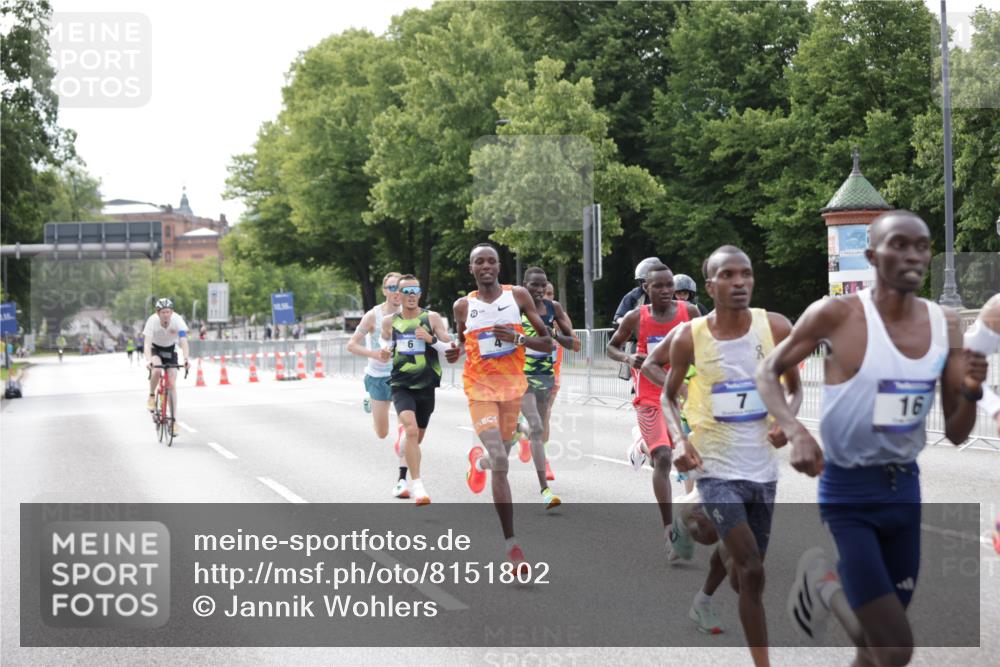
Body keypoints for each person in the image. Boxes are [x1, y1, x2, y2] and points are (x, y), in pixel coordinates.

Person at [755, 211, 987, 667]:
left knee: (873, 646)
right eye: (899, 244)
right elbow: (768, 371)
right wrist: (796, 429)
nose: (913, 255)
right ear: (870, 255)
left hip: (905, 491)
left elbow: (958, 433)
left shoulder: (947, 324)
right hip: (849, 492)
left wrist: (972, 392)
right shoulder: (837, 314)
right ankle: (823, 581)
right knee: (895, 648)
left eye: (921, 246)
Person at [658, 246, 801, 665]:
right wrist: (680, 441)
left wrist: (785, 420)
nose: (739, 282)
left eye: (746, 274)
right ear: (710, 284)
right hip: (715, 468)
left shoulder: (775, 326)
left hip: (762, 468)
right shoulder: (690, 336)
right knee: (753, 570)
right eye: (727, 275)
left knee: (742, 570)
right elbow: (668, 398)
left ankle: (703, 592)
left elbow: (792, 387)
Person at [446, 243, 553, 572]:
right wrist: (455, 352)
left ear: (498, 266)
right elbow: (463, 342)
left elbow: (546, 341)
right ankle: (512, 545)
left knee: (497, 458)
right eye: (479, 261)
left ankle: (478, 464)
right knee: (502, 461)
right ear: (472, 269)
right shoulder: (463, 306)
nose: (486, 266)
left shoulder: (517, 296)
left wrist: (517, 338)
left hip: (513, 389)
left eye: (491, 260)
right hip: (479, 389)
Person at [607, 263, 700, 562]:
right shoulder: (637, 316)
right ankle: (668, 529)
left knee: (690, 454)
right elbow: (612, 346)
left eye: (668, 285)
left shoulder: (690, 313)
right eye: (657, 286)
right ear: (645, 288)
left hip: (685, 392)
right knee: (662, 457)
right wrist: (627, 356)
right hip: (649, 396)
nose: (664, 290)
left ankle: (641, 444)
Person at [377, 275, 452, 506]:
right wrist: (384, 351)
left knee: (415, 439)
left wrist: (430, 339)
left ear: (420, 294)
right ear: (398, 295)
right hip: (401, 385)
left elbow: (450, 348)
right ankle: (417, 485)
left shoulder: (431, 317)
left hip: (426, 385)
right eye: (405, 291)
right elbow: (384, 341)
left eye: (415, 290)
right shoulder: (390, 321)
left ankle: (403, 474)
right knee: (410, 430)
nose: (410, 295)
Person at [513, 267, 576, 506]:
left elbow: (574, 343)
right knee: (538, 427)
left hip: (545, 376)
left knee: (537, 428)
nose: (539, 291)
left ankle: (518, 430)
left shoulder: (553, 309)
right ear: (524, 285)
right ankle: (545, 490)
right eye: (534, 286)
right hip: (519, 376)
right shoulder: (513, 308)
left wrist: (555, 337)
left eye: (543, 286)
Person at [346, 272, 407, 498]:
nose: (396, 292)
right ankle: (370, 400)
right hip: (378, 377)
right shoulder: (373, 316)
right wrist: (374, 353)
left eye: (399, 287)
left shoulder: (412, 313)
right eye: (391, 287)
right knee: (382, 432)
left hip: (403, 378)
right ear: (384, 291)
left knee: (407, 430)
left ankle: (402, 480)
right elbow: (351, 345)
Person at [142, 298, 191, 438]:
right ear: (158, 313)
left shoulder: (178, 321)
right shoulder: (152, 321)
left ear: (172, 312)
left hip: (171, 350)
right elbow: (147, 344)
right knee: (156, 370)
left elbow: (183, 342)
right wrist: (148, 360)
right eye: (163, 312)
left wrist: (186, 359)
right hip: (155, 349)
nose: (166, 315)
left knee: (172, 384)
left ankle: (174, 420)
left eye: (168, 312)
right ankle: (152, 395)